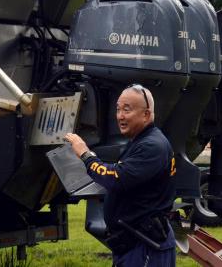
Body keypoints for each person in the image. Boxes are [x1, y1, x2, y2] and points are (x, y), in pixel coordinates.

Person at [65, 84, 176, 267]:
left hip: (145, 245)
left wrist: (85, 154)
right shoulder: (141, 141)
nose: (120, 116)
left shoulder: (151, 146)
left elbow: (116, 178)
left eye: (127, 109)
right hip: (133, 243)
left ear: (146, 114)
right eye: (118, 109)